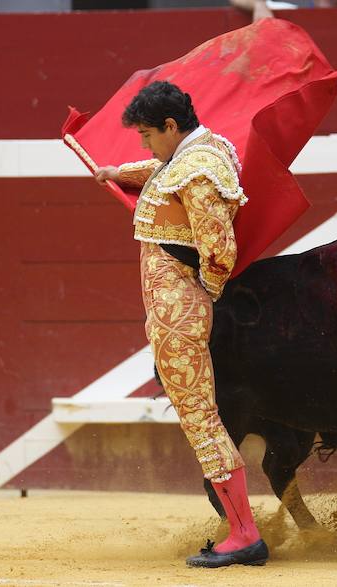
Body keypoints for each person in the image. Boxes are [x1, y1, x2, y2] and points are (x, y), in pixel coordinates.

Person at [93, 81, 269, 569]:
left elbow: (219, 251)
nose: (145, 145)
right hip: (175, 305)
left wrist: (203, 294)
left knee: (200, 419)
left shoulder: (197, 173)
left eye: (148, 134)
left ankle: (244, 534)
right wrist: (119, 173)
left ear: (172, 126)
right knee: (201, 417)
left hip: (179, 310)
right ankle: (242, 528)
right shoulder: (198, 150)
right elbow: (162, 169)